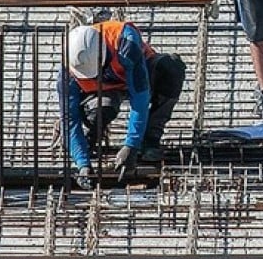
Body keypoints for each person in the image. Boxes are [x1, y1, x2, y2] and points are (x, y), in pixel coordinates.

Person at [57, 21, 186, 188]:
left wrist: (132, 144)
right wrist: (82, 164)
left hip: (140, 73)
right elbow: (69, 120)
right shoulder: (68, 71)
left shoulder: (125, 42)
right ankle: (87, 141)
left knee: (171, 68)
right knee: (101, 110)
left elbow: (140, 98)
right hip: (103, 92)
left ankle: (150, 140)